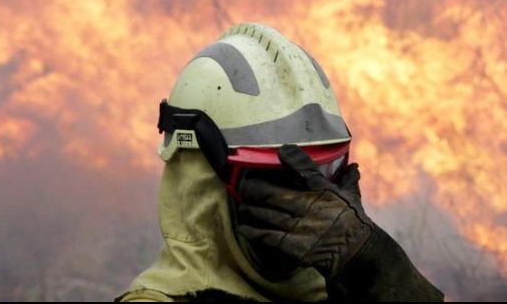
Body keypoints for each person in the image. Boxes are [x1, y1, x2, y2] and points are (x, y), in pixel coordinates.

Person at [117, 23, 443, 302]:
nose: (308, 203)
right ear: (203, 186)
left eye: (324, 175)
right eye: (276, 179)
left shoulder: (344, 290)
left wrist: (370, 266)